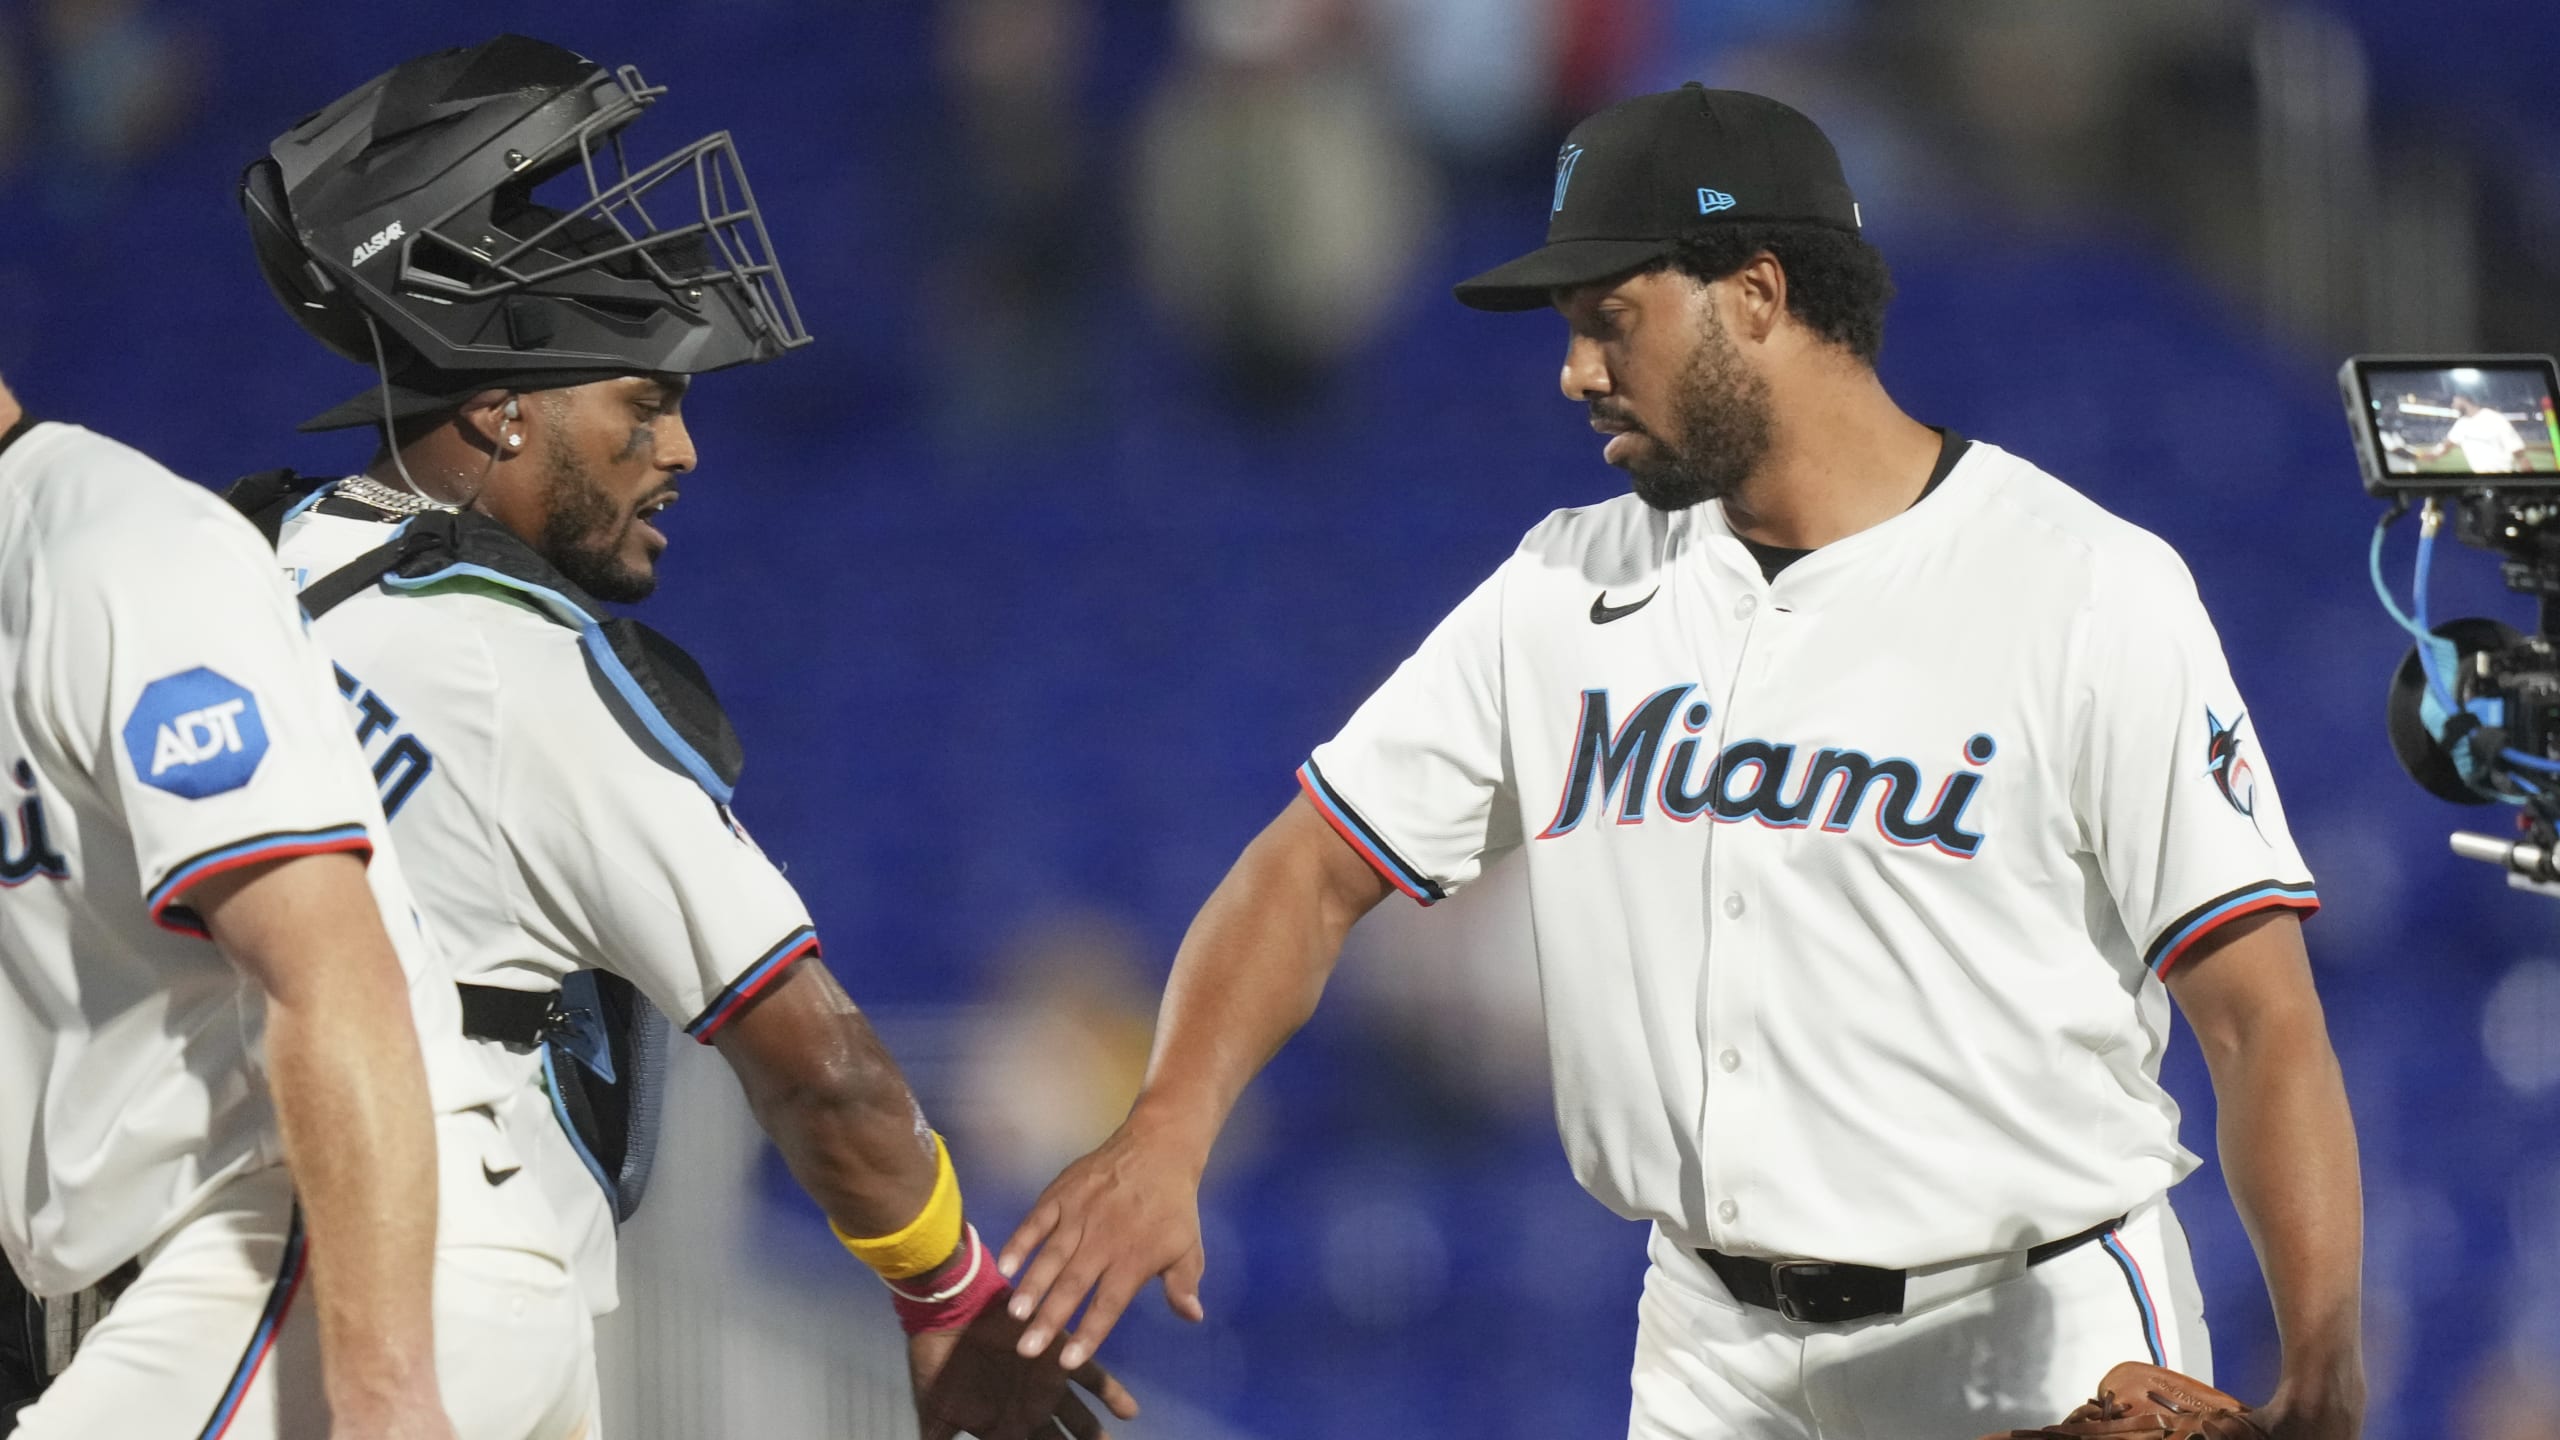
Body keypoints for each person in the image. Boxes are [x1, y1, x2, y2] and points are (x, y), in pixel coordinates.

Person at [997, 86, 2367, 1439]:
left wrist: (2321, 1365)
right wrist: (1166, 1127)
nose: (1575, 369)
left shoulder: (2083, 587)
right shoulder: (1562, 588)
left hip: (2032, 1324)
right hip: (1710, 1350)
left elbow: (2258, 1018)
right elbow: (1305, 872)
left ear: (1756, 296)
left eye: (1611, 317)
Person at [235, 36, 1133, 1440]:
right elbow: (825, 1072)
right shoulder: (521, 667)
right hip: (445, 1285)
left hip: (228, 1249)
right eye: (642, 402)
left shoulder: (227, 572)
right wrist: (950, 1294)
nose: (681, 450)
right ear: (500, 404)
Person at [0, 373, 593, 1437]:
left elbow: (328, 969)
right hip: (263, 1272)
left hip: (329, 1245)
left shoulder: (114, 546)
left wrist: (385, 1391)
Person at [2423, 394, 2528, 473]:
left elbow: (2517, 450)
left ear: (2463, 400)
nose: (2453, 405)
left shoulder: (2494, 418)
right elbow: (2448, 444)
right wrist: (2434, 454)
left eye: (2455, 402)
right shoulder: (2461, 423)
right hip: (2479, 476)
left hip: (2500, 475)